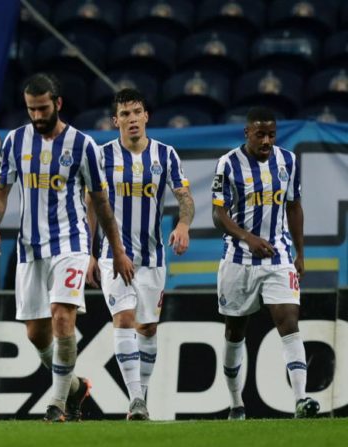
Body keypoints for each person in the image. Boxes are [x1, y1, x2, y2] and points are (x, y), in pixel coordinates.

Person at [0, 73, 134, 422]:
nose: (37, 116)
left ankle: (57, 403)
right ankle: (76, 387)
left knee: (63, 317)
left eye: (43, 108)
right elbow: (1, 191)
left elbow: (101, 203)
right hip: (29, 248)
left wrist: (116, 250)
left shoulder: (83, 145)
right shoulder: (15, 142)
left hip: (71, 242)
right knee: (36, 334)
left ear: (58, 103)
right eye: (31, 109)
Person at [86, 88, 195, 420]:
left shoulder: (166, 155)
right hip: (113, 254)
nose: (132, 119)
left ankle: (141, 396)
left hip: (152, 258)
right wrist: (90, 253)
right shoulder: (101, 156)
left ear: (146, 116)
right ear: (115, 120)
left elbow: (185, 196)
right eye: (125, 114)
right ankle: (135, 400)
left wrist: (183, 225)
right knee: (124, 319)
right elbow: (91, 205)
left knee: (147, 329)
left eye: (137, 112)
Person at [211, 106, 319, 420]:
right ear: (247, 133)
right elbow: (218, 214)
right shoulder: (228, 163)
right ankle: (236, 404)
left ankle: (300, 400)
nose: (267, 141)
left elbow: (294, 206)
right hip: (238, 260)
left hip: (278, 257)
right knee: (235, 332)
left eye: (271, 134)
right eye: (260, 134)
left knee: (289, 322)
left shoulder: (288, 161)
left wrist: (300, 253)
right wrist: (248, 238)